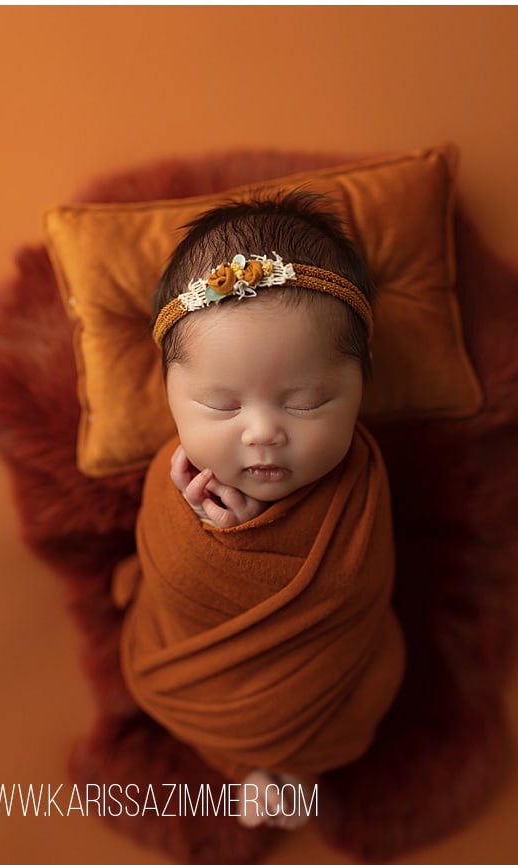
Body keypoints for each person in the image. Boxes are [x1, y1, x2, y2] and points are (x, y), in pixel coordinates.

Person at [117, 191, 406, 831]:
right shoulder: (177, 479)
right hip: (210, 672)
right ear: (169, 393)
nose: (262, 433)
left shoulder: (359, 479)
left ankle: (294, 767)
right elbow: (174, 586)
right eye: (221, 406)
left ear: (362, 385)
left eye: (304, 402)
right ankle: (247, 764)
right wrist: (212, 535)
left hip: (326, 674)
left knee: (374, 675)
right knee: (184, 671)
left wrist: (253, 539)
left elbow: (355, 591)